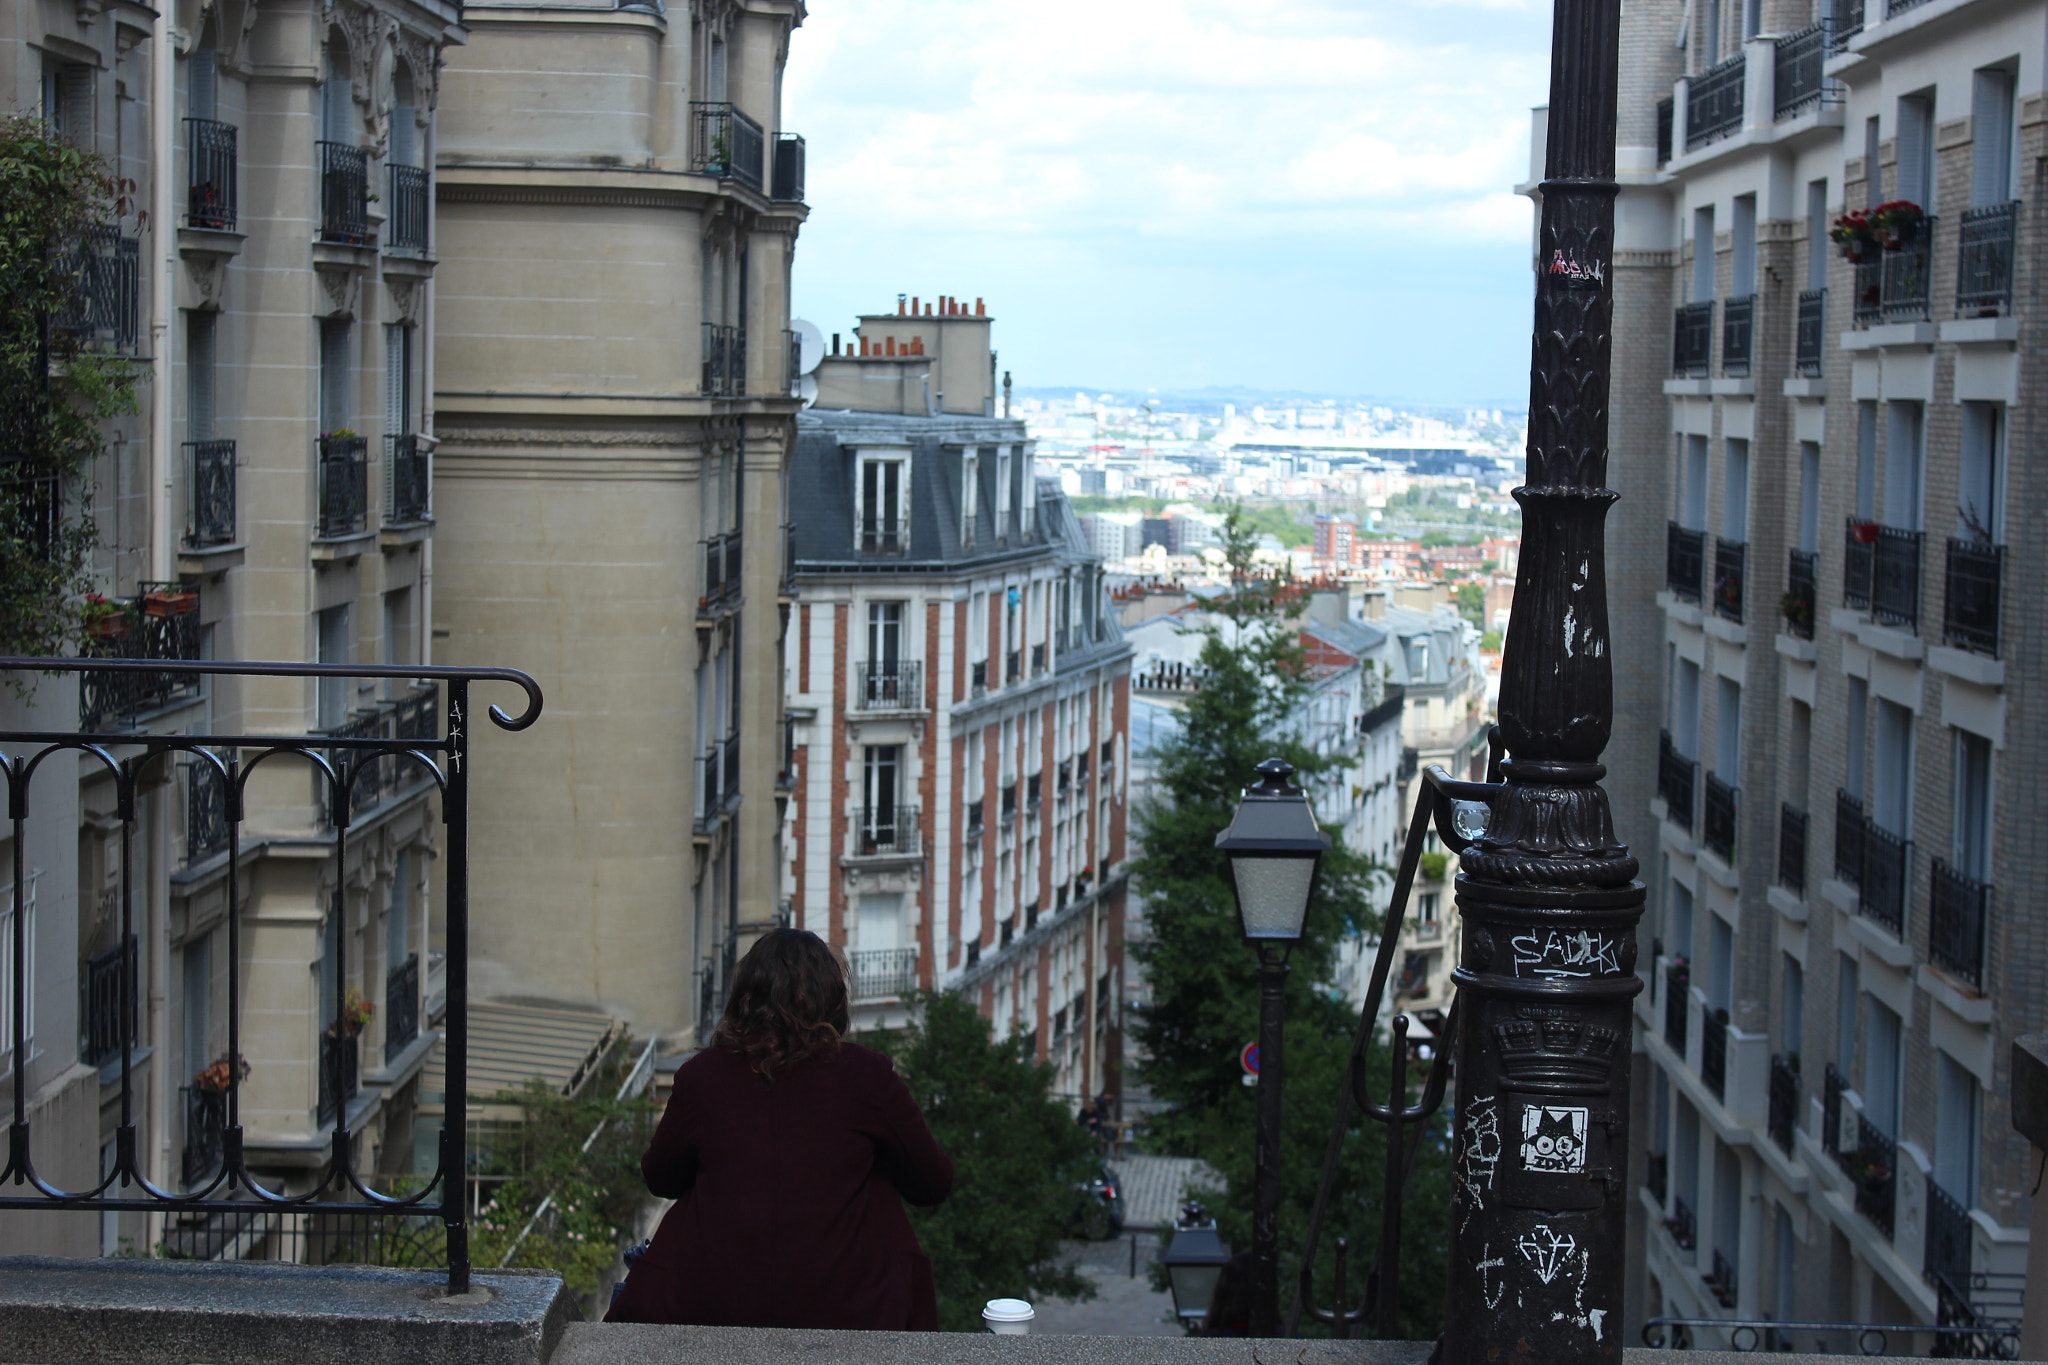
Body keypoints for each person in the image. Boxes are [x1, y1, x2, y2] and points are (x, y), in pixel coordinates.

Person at [605, 928, 954, 1329]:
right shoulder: (867, 1077)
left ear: (746, 998)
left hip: (713, 1304)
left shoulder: (702, 1077)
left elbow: (661, 1176)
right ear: (832, 1000)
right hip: (852, 1308)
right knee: (872, 1182)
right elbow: (934, 1182)